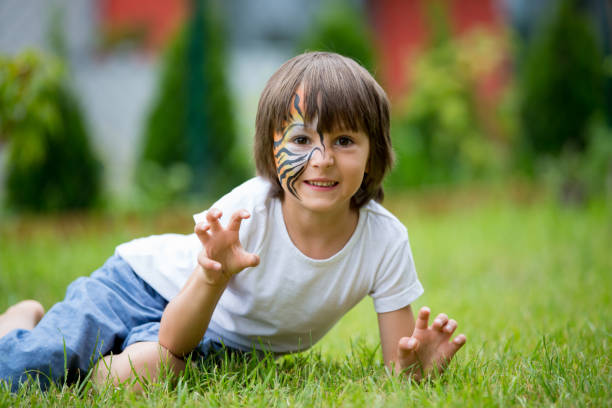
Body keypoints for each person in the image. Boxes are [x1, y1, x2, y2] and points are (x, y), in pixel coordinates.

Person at [0, 51, 466, 392]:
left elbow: (397, 368)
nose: (322, 160)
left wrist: (416, 366)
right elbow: (173, 334)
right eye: (301, 139)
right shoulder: (249, 211)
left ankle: (81, 354)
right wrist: (214, 271)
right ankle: (19, 320)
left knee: (130, 380)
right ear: (270, 147)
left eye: (344, 140)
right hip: (137, 284)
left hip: (208, 340)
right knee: (27, 371)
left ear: (374, 152)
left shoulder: (384, 241)